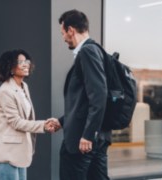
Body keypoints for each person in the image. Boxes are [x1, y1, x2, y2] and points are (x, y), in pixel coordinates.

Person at [54, 9, 111, 180]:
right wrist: (61, 121)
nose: (63, 37)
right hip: (96, 136)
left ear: (71, 30)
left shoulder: (87, 52)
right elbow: (84, 101)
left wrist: (87, 134)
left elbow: (99, 95)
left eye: (62, 32)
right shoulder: (96, 50)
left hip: (83, 140)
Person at [0, 49, 57, 180]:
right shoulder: (5, 91)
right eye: (20, 62)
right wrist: (44, 125)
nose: (26, 64)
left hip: (20, 150)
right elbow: (16, 122)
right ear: (10, 67)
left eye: (27, 61)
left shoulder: (23, 86)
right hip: (7, 152)